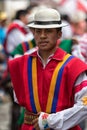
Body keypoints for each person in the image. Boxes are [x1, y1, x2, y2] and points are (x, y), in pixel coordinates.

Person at [8, 8, 87, 130]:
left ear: (59, 34)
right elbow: (18, 99)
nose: (42, 36)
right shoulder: (20, 64)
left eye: (48, 31)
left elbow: (85, 104)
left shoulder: (74, 66)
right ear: (33, 33)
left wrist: (51, 120)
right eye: (38, 31)